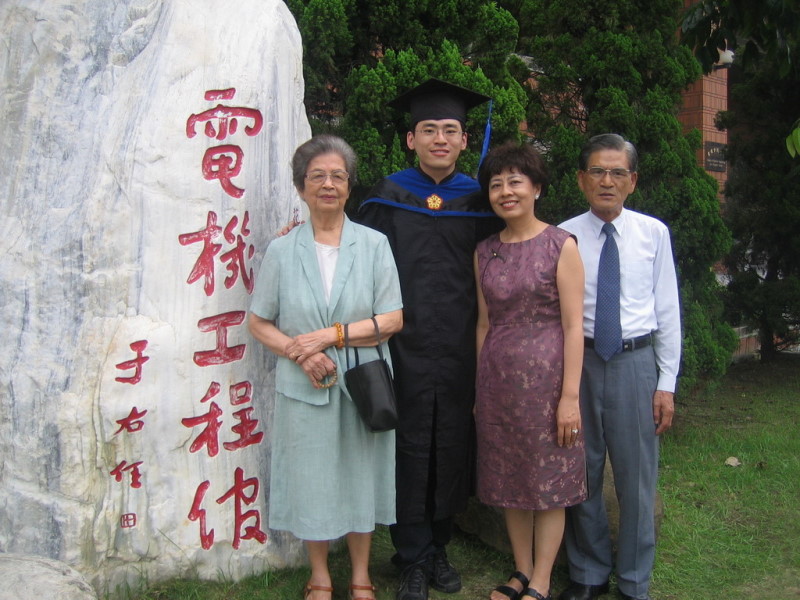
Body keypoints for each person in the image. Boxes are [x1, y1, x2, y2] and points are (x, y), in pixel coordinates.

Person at [357, 78, 502, 600]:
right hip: (401, 346)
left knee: (451, 443)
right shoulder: (386, 197)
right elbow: (354, 257)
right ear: (410, 139)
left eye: (450, 130)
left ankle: (439, 545)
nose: (440, 138)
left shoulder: (482, 202)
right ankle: (411, 554)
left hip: (465, 347)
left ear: (465, 141)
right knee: (408, 444)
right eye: (428, 129)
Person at [248, 135, 404, 600]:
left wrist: (330, 336)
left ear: (350, 186)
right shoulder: (282, 250)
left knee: (361, 474)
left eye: (338, 176)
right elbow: (258, 321)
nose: (328, 184)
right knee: (313, 477)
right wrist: (302, 352)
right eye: (318, 176)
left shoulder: (374, 245)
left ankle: (360, 574)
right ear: (301, 187)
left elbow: (393, 319)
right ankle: (319, 574)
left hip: (364, 381)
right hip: (304, 384)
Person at [557, 134, 681, 600]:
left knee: (636, 478)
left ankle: (633, 580)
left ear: (632, 181)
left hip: (636, 364)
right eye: (597, 172)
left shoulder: (654, 233)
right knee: (581, 472)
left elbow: (667, 310)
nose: (606, 181)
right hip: (581, 362)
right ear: (581, 179)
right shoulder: (562, 235)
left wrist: (665, 383)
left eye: (617, 173)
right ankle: (588, 572)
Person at [474, 142, 586, 600]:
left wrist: (570, 397)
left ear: (536, 188)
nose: (505, 191)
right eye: (497, 184)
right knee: (508, 478)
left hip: (549, 386)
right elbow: (483, 324)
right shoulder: (483, 251)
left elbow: (575, 324)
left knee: (549, 481)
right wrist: (479, 391)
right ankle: (520, 571)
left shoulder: (561, 245)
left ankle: (542, 578)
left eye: (515, 181)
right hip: (498, 385)